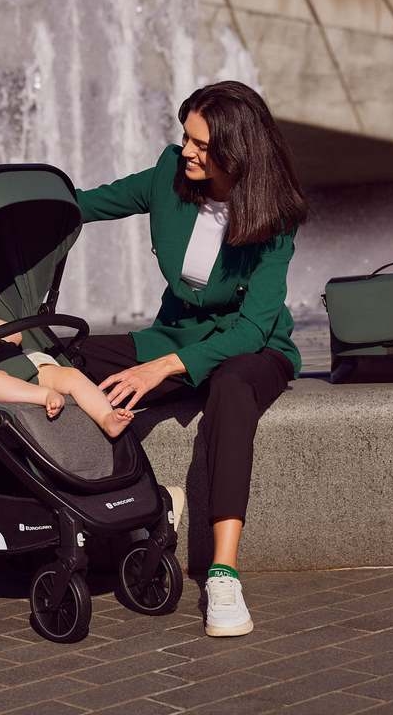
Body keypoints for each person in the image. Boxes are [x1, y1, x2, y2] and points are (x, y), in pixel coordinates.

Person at [73, 80, 308, 637]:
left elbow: (253, 327)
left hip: (254, 348)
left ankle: (223, 575)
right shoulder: (167, 176)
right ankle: (139, 505)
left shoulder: (274, 215)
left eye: (201, 144)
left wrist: (162, 369)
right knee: (65, 357)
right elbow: (81, 204)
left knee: (230, 389)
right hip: (175, 336)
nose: (187, 151)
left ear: (236, 150)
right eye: (185, 137)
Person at [0, 261, 135, 438]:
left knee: (71, 375)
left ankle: (106, 417)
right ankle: (43, 395)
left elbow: (17, 337)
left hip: (18, 361)